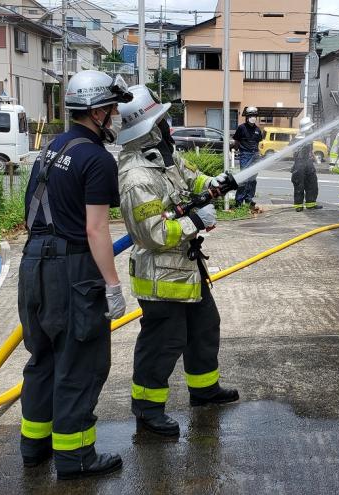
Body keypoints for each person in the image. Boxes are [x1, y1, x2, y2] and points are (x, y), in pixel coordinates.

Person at [18, 70, 132, 480]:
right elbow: (96, 229)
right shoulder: (97, 159)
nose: (117, 115)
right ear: (98, 110)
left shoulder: (51, 149)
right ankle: (76, 456)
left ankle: (35, 447)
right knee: (79, 362)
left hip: (33, 263)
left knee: (42, 357)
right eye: (114, 108)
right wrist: (114, 286)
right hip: (73, 269)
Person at [117, 86, 239, 438]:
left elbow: (189, 176)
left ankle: (203, 391)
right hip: (160, 277)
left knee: (204, 327)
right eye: (162, 119)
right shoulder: (137, 177)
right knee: (162, 344)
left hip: (185, 269)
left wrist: (213, 183)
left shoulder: (162, 156)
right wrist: (195, 222)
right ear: (149, 126)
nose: (169, 125)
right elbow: (151, 235)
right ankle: (147, 410)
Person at [233, 106, 263, 212]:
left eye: (254, 115)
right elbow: (236, 141)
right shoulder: (242, 128)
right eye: (251, 115)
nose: (253, 117)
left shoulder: (258, 130)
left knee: (253, 180)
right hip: (245, 155)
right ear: (247, 117)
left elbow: (257, 143)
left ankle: (249, 199)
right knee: (244, 179)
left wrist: (258, 154)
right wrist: (234, 150)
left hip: (255, 155)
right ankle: (239, 201)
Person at [291, 116, 323, 212]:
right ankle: (298, 206)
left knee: (312, 184)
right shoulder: (297, 139)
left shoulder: (309, 139)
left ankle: (311, 204)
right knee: (299, 185)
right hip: (299, 165)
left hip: (308, 164)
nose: (312, 129)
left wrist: (315, 158)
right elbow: (295, 153)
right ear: (306, 128)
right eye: (310, 127)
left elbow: (310, 151)